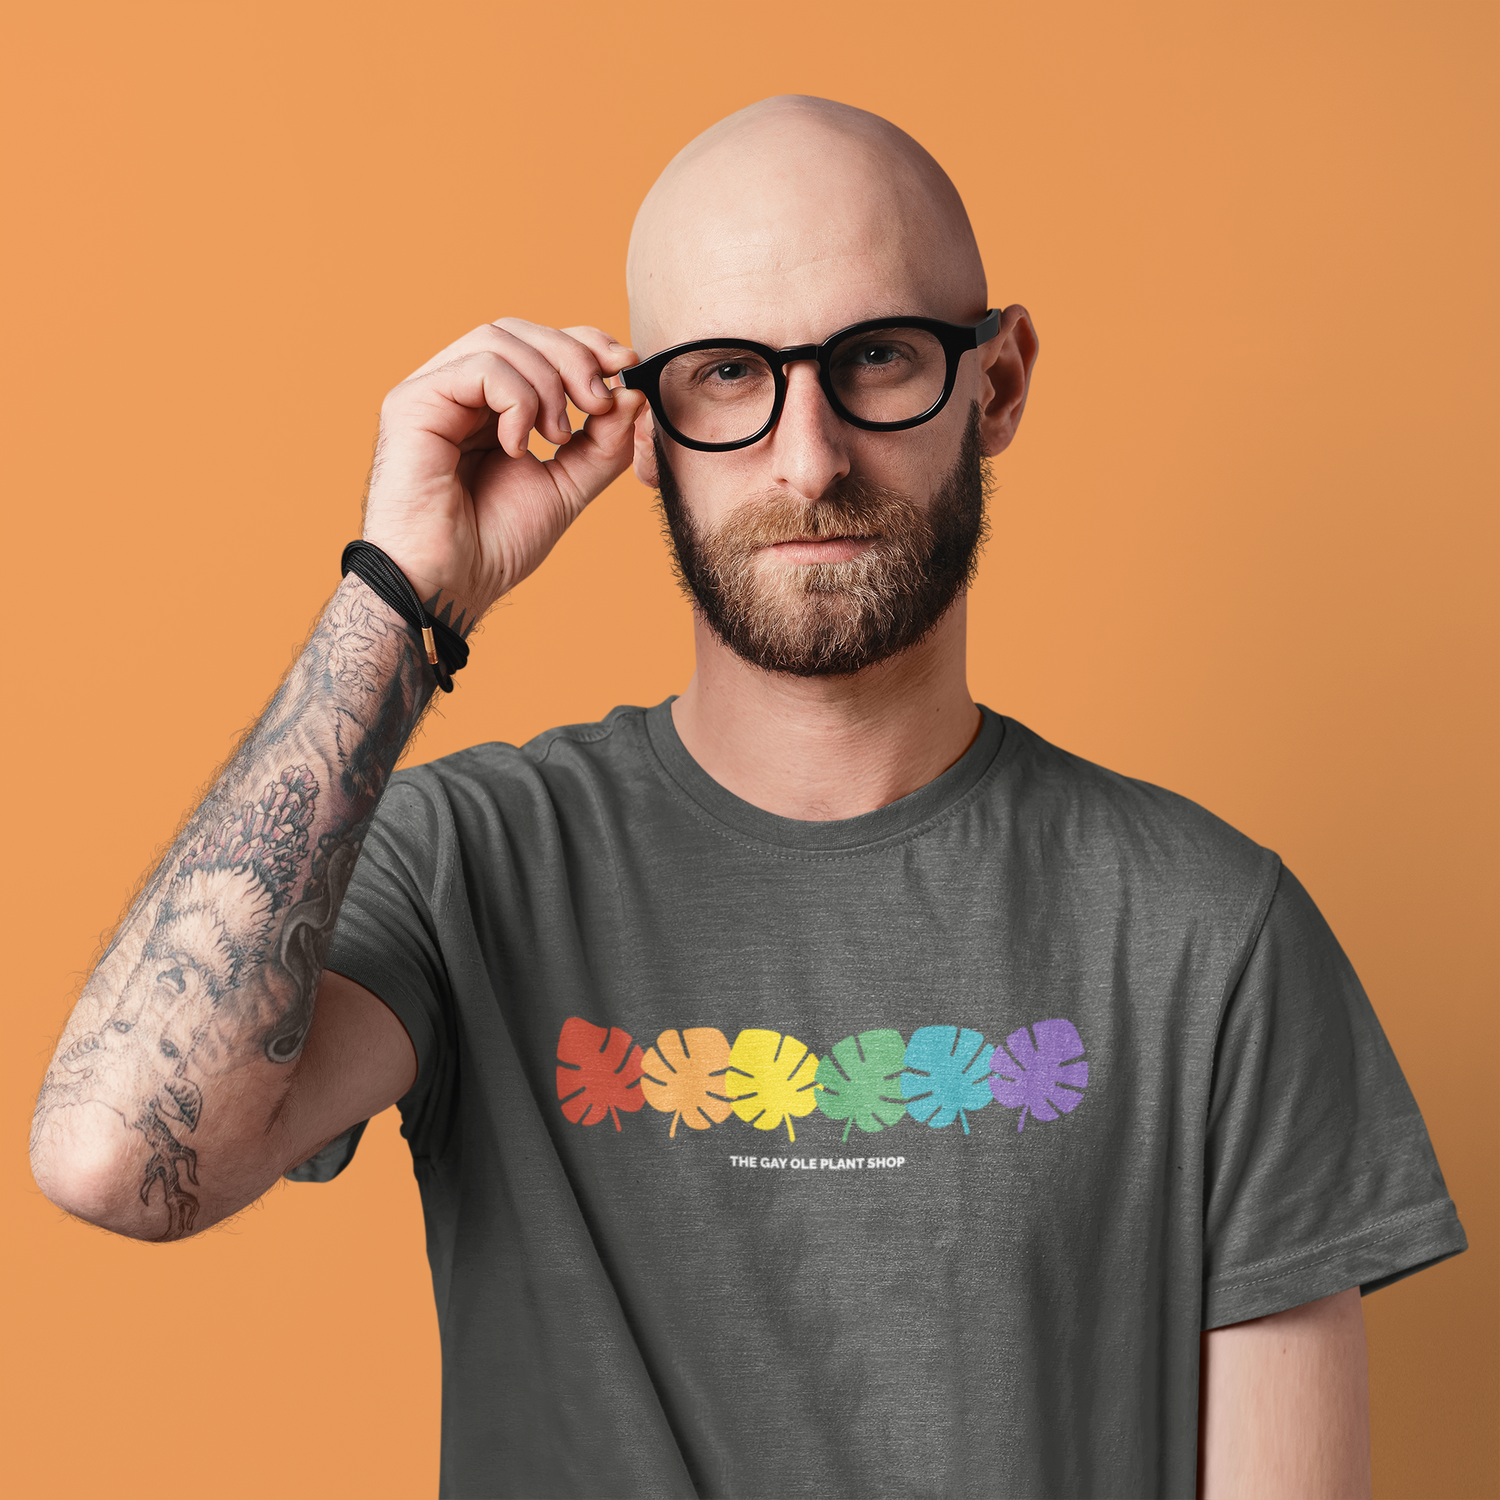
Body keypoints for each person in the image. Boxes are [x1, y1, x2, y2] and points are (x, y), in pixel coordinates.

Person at [31, 95, 1464, 1500]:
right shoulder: (472, 869)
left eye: (881, 358)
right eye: (728, 373)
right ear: (644, 421)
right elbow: (116, 1163)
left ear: (999, 380)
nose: (809, 456)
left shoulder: (1210, 932)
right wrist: (399, 599)